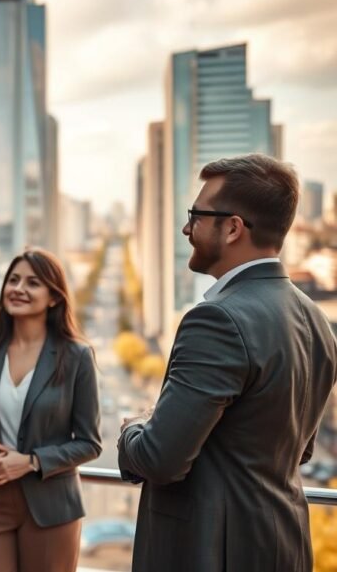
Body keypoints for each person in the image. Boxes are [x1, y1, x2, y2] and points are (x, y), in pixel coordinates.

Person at [118, 154, 337, 572]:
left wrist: (133, 430)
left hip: (208, 552)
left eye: (196, 216)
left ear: (233, 227)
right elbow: (298, 449)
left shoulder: (216, 319)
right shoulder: (316, 320)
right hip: (285, 546)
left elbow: (160, 458)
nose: (187, 228)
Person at [0, 248, 101, 572]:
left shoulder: (77, 356)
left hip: (50, 505)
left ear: (53, 297)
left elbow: (90, 443)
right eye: (13, 280)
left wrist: (30, 462)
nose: (19, 288)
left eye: (33, 282)